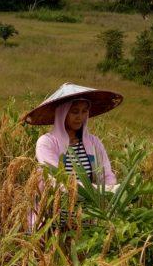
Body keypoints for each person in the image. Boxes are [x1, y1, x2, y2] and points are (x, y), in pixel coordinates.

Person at [22, 82, 123, 225]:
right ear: (63, 112)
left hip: (86, 217)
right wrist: (103, 190)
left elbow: (107, 175)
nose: (80, 117)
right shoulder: (47, 143)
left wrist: (112, 189)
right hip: (52, 219)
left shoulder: (94, 143)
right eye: (74, 111)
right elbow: (56, 180)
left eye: (84, 111)